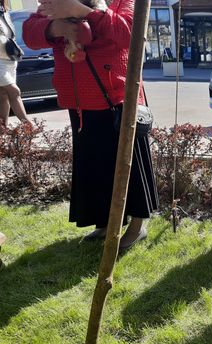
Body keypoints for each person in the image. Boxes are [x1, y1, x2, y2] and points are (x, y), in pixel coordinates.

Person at [23, 0, 158, 250]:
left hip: (118, 99)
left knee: (130, 168)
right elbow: (29, 34)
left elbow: (130, 34)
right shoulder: (56, 2)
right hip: (80, 102)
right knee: (95, 167)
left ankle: (138, 225)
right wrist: (58, 27)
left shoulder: (123, 1)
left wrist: (81, 12)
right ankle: (105, 223)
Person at [0, 0, 30, 127]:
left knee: (3, 95)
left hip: (9, 60)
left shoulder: (4, 11)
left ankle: (2, 131)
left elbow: (10, 35)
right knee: (14, 92)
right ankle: (28, 126)